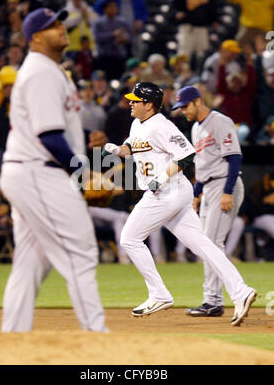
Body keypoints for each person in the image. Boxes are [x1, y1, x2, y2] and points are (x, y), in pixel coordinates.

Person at [102, 82, 256, 326]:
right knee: (204, 246)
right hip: (173, 194)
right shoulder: (137, 123)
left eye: (136, 100)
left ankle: (159, 294)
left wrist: (161, 178)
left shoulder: (162, 125)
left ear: (149, 105)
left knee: (129, 238)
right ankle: (241, 291)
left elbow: (186, 154)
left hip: (167, 192)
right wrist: (118, 150)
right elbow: (135, 146)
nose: (130, 103)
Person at [0, 7, 107, 333]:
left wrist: (85, 137)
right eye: (51, 26)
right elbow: (48, 136)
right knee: (81, 255)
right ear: (35, 37)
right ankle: (99, 341)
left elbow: (48, 128)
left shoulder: (49, 70)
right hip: (40, 173)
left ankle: (12, 341)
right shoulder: (41, 71)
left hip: (30, 170)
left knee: (30, 261)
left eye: (61, 22)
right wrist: (83, 173)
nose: (61, 28)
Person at [172, 85, 247, 317]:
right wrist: (196, 193)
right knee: (206, 243)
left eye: (185, 106)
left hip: (225, 183)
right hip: (208, 186)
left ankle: (220, 298)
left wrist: (227, 191)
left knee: (213, 243)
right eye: (180, 107)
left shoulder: (220, 121)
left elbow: (234, 158)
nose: (184, 111)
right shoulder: (195, 128)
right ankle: (212, 300)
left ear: (197, 101)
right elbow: (203, 166)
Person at [92, 0, 133, 80]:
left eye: (115, 7)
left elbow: (131, 37)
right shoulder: (98, 22)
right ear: (105, 9)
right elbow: (97, 38)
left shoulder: (122, 22)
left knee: (120, 80)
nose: (114, 9)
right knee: (105, 80)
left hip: (120, 57)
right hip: (104, 57)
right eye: (111, 7)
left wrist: (124, 39)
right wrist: (112, 34)